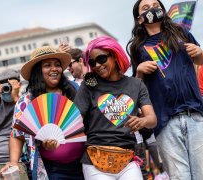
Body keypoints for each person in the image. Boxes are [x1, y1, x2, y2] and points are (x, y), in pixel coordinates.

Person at [127, 0, 203, 179]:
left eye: (155, 5)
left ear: (162, 9)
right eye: (145, 8)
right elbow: (138, 88)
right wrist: (139, 72)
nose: (152, 9)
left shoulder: (181, 32)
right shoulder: (137, 47)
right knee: (179, 176)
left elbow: (199, 61)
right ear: (139, 19)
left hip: (195, 113)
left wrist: (199, 53)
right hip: (165, 121)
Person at [74, 36, 157, 179]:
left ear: (114, 55)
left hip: (127, 159)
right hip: (95, 161)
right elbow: (74, 120)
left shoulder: (136, 85)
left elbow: (152, 119)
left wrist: (142, 121)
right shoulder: (88, 86)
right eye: (92, 63)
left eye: (101, 59)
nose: (97, 66)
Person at [1, 46, 85, 180]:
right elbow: (17, 135)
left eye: (57, 65)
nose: (54, 69)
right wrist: (14, 162)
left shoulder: (76, 90)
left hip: (85, 164)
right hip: (52, 171)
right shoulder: (26, 101)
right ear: (37, 72)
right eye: (47, 65)